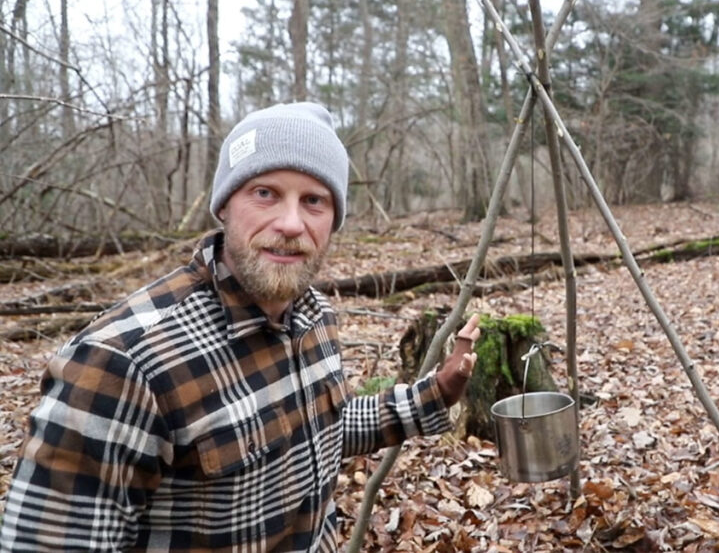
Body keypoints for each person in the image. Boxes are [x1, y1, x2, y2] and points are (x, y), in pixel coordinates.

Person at [0, 102, 481, 551]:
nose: (291, 223)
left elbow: (318, 433)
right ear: (225, 204)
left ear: (333, 220)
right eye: (265, 193)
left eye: (313, 200)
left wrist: (434, 394)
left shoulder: (313, 316)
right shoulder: (121, 363)